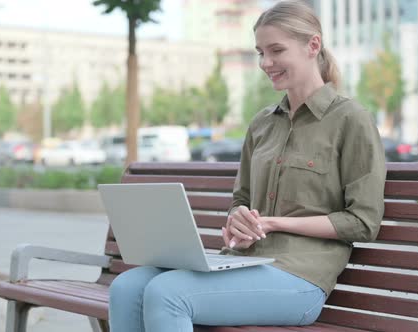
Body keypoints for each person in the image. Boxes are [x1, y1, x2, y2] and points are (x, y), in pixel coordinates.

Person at [108, 1, 386, 331]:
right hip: (244, 263)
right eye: (260, 52)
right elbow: (241, 200)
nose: (266, 63)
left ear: (313, 45)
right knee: (126, 287)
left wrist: (275, 223)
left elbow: (363, 222)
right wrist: (238, 222)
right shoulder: (262, 124)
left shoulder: (350, 120)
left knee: (168, 294)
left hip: (302, 277)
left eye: (276, 50)